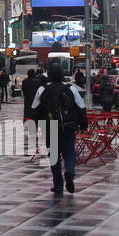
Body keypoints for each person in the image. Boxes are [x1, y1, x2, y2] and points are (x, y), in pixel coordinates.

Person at [30, 66, 87, 194]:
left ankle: (58, 185)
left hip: (50, 127)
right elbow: (81, 107)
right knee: (69, 153)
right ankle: (70, 172)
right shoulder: (70, 88)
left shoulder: (42, 89)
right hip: (69, 126)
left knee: (54, 157)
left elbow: (34, 109)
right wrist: (83, 125)